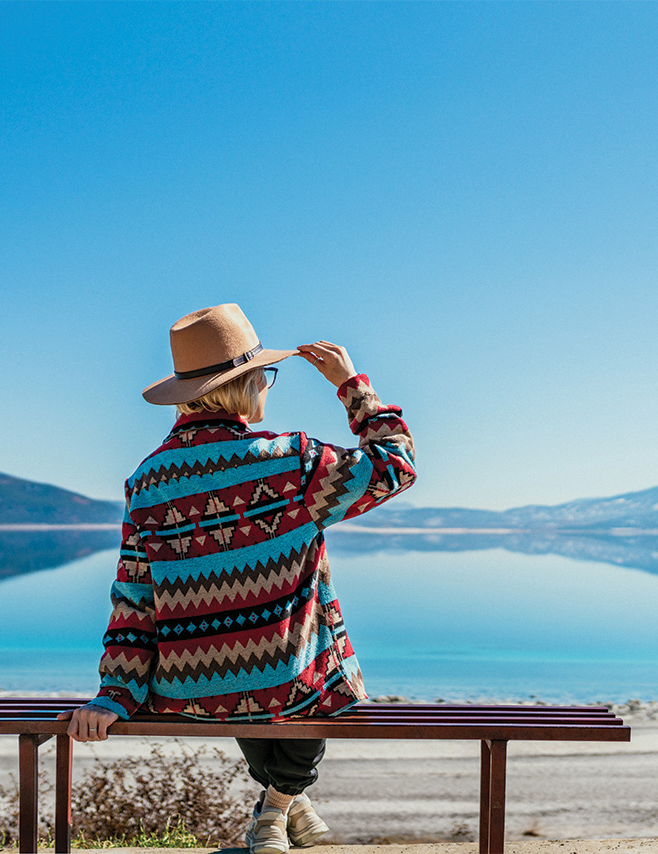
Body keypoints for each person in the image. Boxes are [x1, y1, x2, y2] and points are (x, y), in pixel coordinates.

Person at [57, 303, 417, 853]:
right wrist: (352, 386)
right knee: (304, 674)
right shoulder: (292, 461)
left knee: (238, 665)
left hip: (195, 693)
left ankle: (281, 809)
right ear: (248, 383)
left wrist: (114, 693)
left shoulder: (147, 480)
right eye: (264, 377)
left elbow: (133, 598)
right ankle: (276, 806)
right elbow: (395, 466)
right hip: (291, 685)